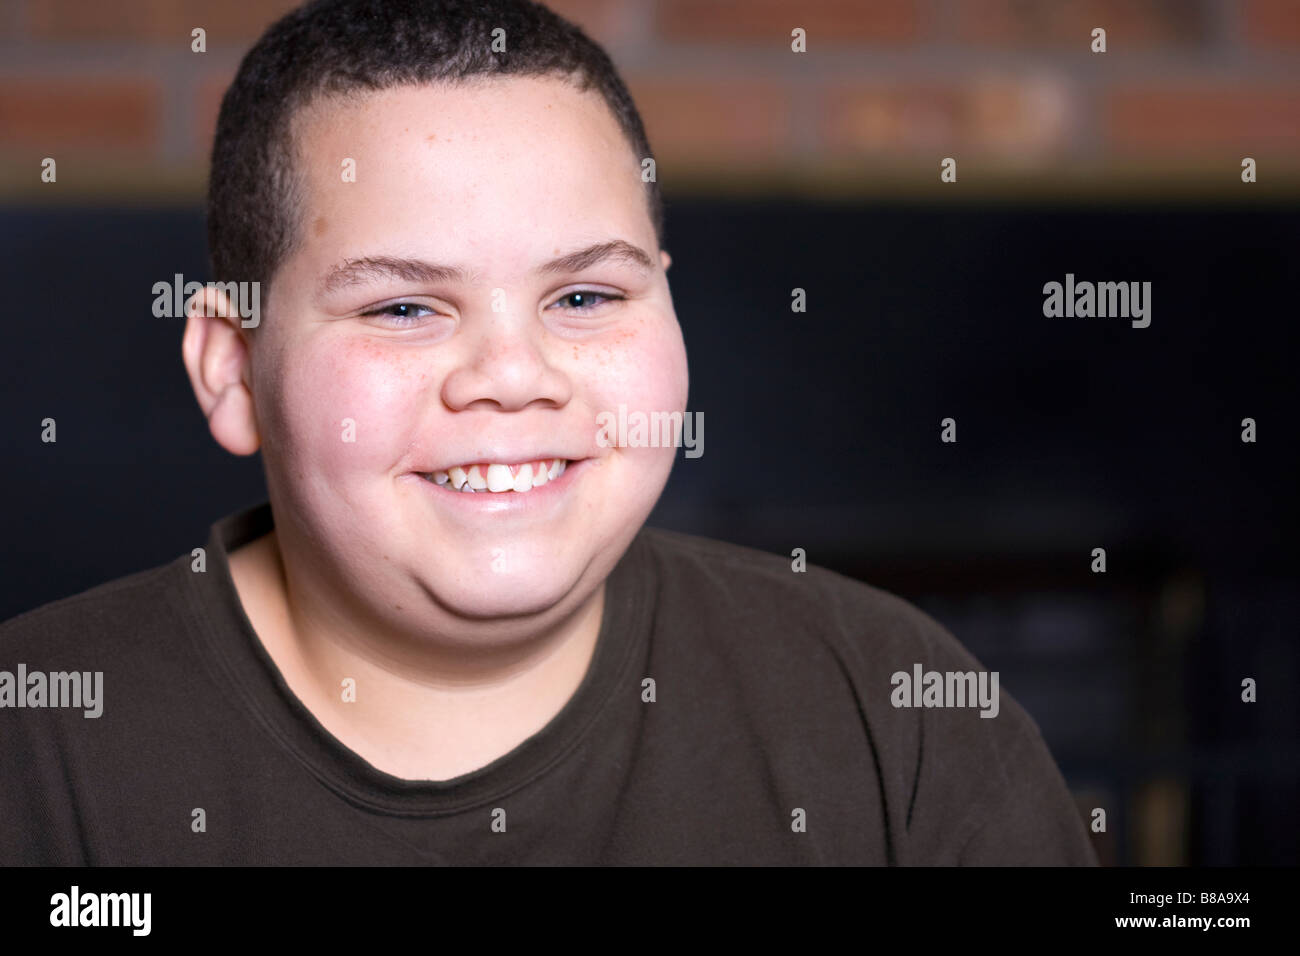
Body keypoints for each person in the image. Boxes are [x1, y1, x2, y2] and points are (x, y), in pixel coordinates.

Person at [0, 0, 1097, 865]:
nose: (512, 377)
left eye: (583, 297)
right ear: (231, 368)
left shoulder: (891, 709)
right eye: (403, 307)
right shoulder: (41, 748)